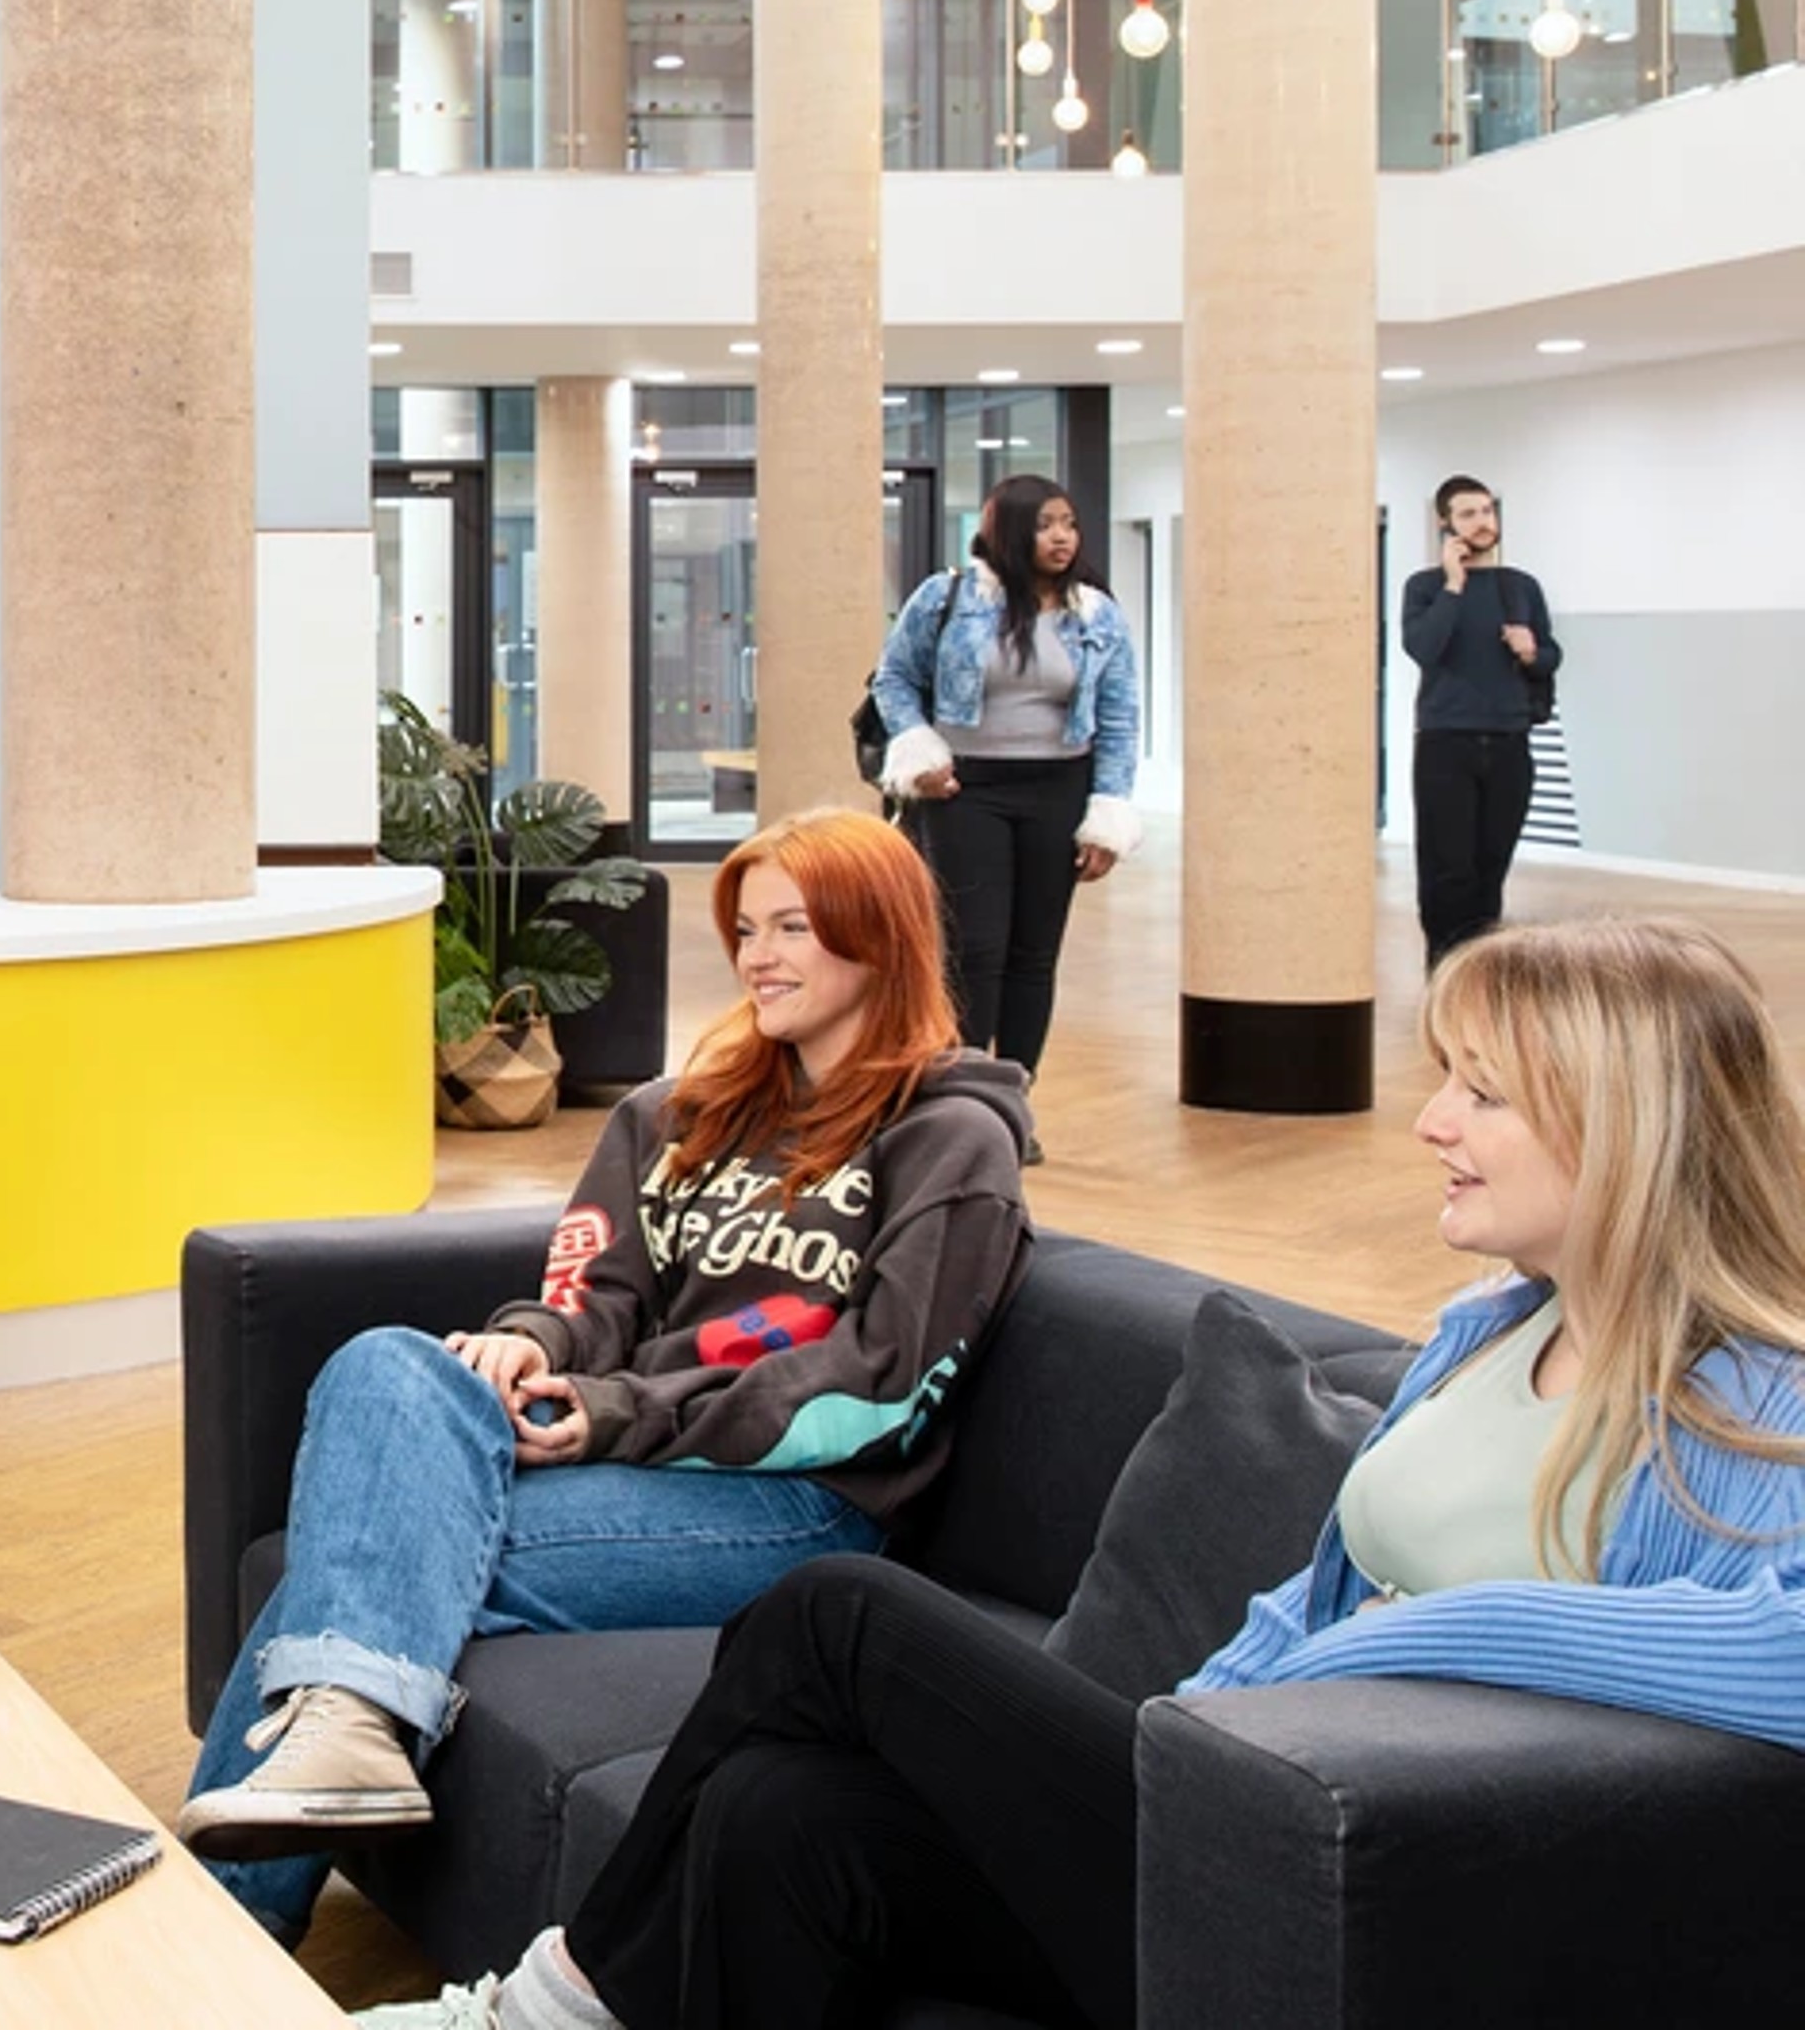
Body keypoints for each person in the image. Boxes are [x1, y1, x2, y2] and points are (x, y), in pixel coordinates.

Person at [460, 917, 1805, 2030]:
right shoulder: (1494, 1326)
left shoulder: (1754, 1393)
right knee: (778, 1812)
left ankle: (551, 2006)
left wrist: (1425, 1639)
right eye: (1445, 1077)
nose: (1432, 1121)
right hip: (1239, 1793)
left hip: (1389, 1884)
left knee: (837, 1611)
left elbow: (1788, 1652)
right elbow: (1319, 1604)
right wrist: (1211, 1714)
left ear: (1629, 1126)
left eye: (1484, 1093)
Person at [172, 808, 1033, 1948]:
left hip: (798, 1507)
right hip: (638, 1461)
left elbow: (873, 1386)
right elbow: (600, 1294)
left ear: (881, 940)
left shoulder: (952, 1141)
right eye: (747, 926)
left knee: (381, 1550)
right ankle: (320, 1778)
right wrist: (538, 1342)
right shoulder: (675, 1114)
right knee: (388, 1362)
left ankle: (205, 1932)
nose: (757, 954)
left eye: (793, 927)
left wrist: (619, 1411)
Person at [870, 475, 1142, 1136]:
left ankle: (1012, 1105)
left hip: (1058, 788)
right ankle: (960, 1105)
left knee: (1034, 954)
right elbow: (895, 677)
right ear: (1009, 529)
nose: (1061, 536)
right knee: (974, 947)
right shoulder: (948, 596)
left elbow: (1119, 713)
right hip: (965, 791)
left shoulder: (1096, 612)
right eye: (1046, 523)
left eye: (1069, 523)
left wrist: (1108, 808)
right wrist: (918, 749)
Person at [1402, 473, 1561, 967]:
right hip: (1446, 744)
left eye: (1487, 511)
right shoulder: (1426, 587)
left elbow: (1550, 656)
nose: (1482, 521)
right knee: (1448, 871)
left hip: (1510, 742)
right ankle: (1444, 971)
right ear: (1446, 523)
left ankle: (1479, 978)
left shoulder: (1521, 587)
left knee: (1491, 867)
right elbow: (1425, 649)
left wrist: (1532, 649)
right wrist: (1454, 584)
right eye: (1468, 513)